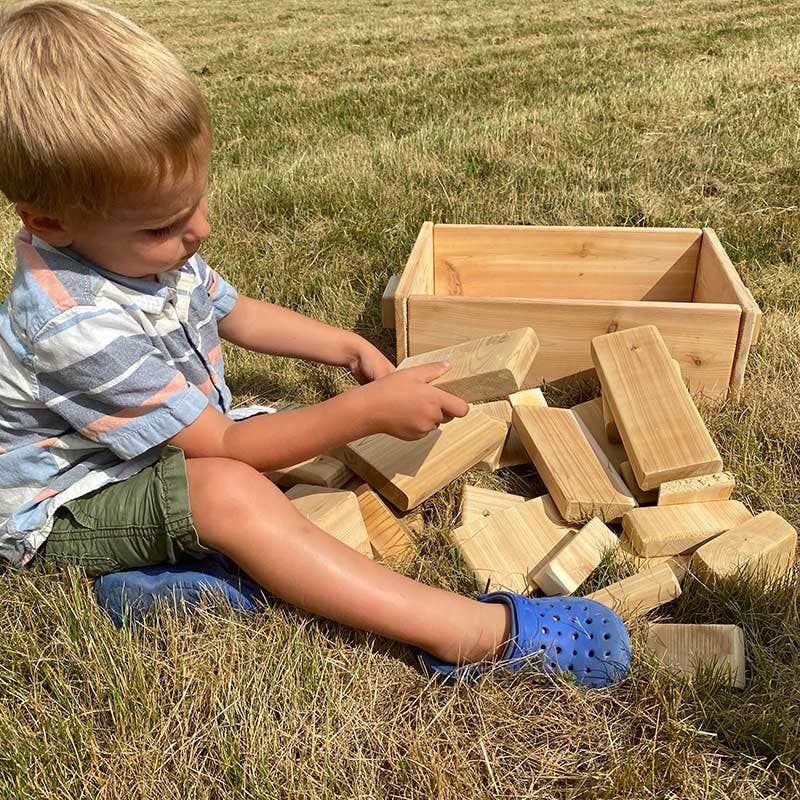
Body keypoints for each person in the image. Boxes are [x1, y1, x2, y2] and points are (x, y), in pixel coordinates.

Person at [0, 0, 630, 687]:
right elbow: (224, 448)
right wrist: (364, 413)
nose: (200, 231)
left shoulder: (137, 251)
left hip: (151, 454)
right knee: (228, 493)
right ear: (51, 222)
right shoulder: (74, 326)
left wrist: (347, 348)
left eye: (199, 201)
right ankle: (469, 633)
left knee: (271, 458)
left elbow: (235, 313)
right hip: (69, 508)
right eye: (166, 226)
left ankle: (168, 582)